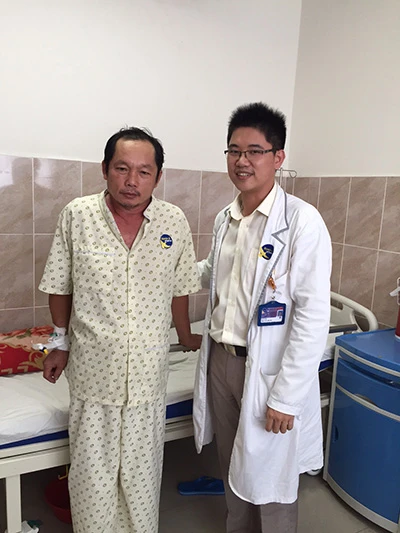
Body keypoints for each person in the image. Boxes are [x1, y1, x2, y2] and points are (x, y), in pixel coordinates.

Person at [39, 127, 202, 533]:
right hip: (94, 373)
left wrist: (185, 336)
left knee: (142, 475)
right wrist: (59, 343)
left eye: (144, 172)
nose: (132, 181)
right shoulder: (78, 215)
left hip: (148, 376)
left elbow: (180, 289)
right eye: (122, 168)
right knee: (92, 475)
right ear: (105, 169)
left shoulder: (173, 221)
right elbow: (60, 285)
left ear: (158, 176)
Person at [193, 102, 332, 533]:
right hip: (222, 360)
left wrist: (286, 398)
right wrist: (166, 268)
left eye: (255, 151)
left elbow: (312, 317)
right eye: (234, 151)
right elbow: (210, 273)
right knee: (232, 466)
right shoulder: (226, 218)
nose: (242, 161)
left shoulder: (302, 222)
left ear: (278, 157)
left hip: (268, 370)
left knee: (271, 477)